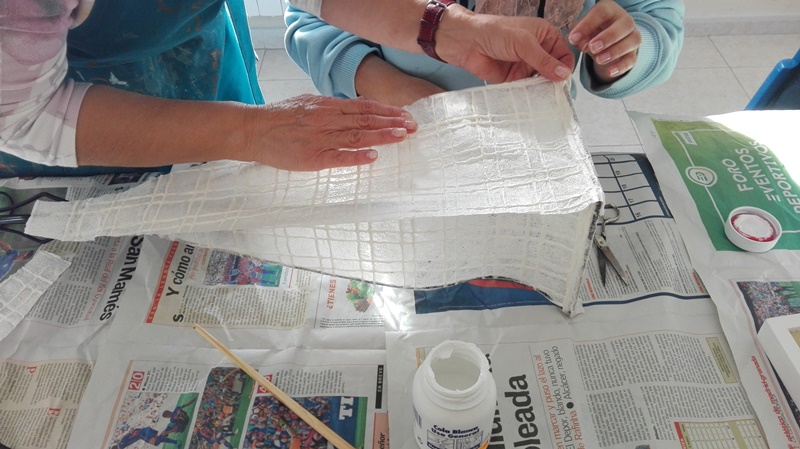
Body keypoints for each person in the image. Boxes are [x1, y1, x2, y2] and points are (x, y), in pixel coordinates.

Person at [1, 0, 574, 178]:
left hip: (190, 48)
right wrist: (251, 131)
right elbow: (26, 116)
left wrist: (450, 30)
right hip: (70, 120)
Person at [285, 0, 684, 106]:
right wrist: (397, 90)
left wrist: (619, 52)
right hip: (401, 125)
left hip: (540, 130)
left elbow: (657, 23)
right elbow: (311, 14)